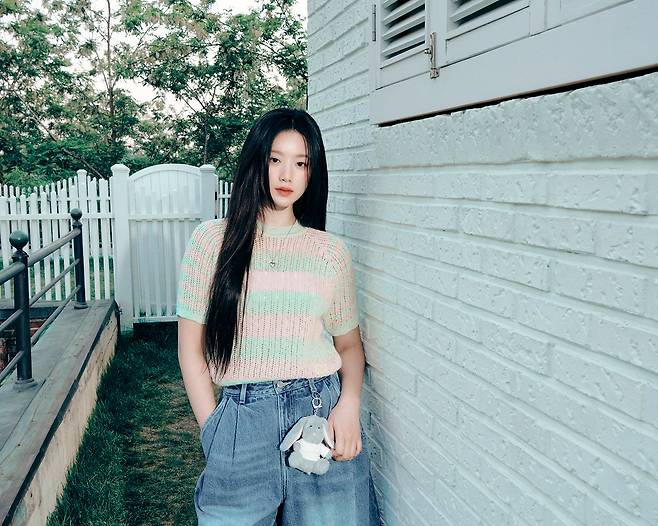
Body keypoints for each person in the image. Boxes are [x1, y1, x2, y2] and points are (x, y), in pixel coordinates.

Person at [176, 107, 382, 526]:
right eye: (276, 159)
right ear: (257, 161)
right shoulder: (211, 242)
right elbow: (190, 349)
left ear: (312, 173)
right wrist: (213, 429)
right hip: (241, 423)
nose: (287, 175)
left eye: (301, 163)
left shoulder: (329, 252)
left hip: (319, 416)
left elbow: (348, 346)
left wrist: (349, 404)